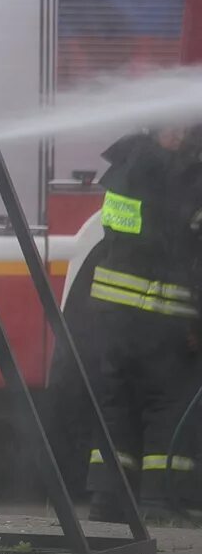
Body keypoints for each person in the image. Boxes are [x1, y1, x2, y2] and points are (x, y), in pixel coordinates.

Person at [85, 124, 202, 525]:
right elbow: (188, 254)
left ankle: (107, 500)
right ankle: (159, 501)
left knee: (116, 403)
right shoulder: (183, 176)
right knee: (166, 403)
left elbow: (116, 236)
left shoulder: (125, 166)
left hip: (112, 311)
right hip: (159, 309)